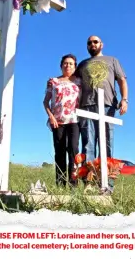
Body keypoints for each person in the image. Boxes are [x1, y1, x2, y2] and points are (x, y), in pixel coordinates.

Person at [76, 35, 128, 192]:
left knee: (106, 144)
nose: (92, 44)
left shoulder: (112, 60)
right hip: (86, 106)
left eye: (95, 42)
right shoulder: (82, 64)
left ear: (101, 45)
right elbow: (75, 85)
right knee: (88, 144)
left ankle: (107, 185)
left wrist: (124, 99)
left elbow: (122, 80)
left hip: (107, 105)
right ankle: (89, 184)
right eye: (89, 43)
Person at [43, 54, 81, 187]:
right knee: (59, 152)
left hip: (74, 120)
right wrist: (51, 117)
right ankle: (60, 184)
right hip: (57, 121)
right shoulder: (53, 81)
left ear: (75, 66)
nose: (68, 66)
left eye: (71, 63)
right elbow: (45, 102)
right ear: (61, 66)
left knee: (73, 151)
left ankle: (73, 184)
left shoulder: (79, 81)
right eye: (65, 63)